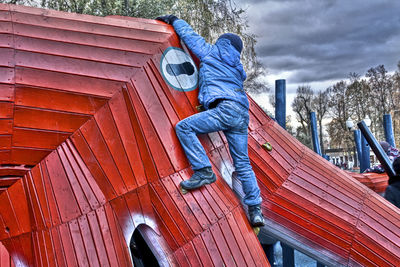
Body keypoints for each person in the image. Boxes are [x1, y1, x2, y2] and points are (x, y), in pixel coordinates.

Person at [156, 15, 264, 226]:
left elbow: (189, 36)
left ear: (221, 43)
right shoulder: (236, 68)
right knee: (242, 163)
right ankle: (256, 210)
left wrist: (173, 19)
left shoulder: (211, 53)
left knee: (184, 127)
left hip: (224, 109)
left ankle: (203, 170)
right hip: (241, 114)